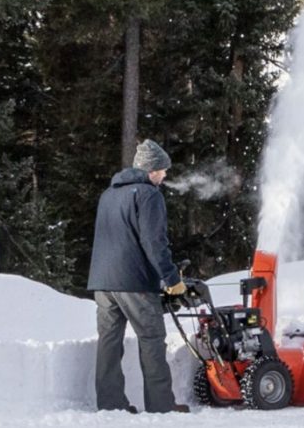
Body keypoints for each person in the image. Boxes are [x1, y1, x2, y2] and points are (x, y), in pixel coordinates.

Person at [87, 139, 189, 413]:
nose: (165, 175)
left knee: (109, 342)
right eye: (163, 170)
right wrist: (171, 278)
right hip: (134, 282)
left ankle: (110, 405)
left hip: (103, 282)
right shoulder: (148, 194)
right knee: (152, 339)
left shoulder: (108, 194)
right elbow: (154, 241)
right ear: (151, 169)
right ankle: (161, 406)